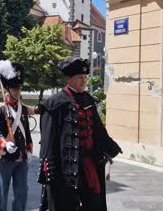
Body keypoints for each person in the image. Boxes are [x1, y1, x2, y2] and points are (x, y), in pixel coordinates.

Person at [38, 57, 122, 211]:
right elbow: (48, 143)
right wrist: (50, 174)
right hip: (65, 167)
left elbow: (98, 130)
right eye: (80, 77)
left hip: (89, 163)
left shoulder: (88, 99)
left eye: (85, 77)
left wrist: (111, 147)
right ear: (69, 79)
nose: (84, 81)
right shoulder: (53, 104)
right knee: (67, 203)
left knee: (93, 202)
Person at [0, 60, 33, 211]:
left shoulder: (23, 109)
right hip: (5, 158)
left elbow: (26, 132)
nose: (18, 92)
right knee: (2, 192)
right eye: (14, 89)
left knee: (22, 192)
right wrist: (5, 143)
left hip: (21, 157)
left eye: (19, 89)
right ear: (7, 89)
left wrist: (29, 149)